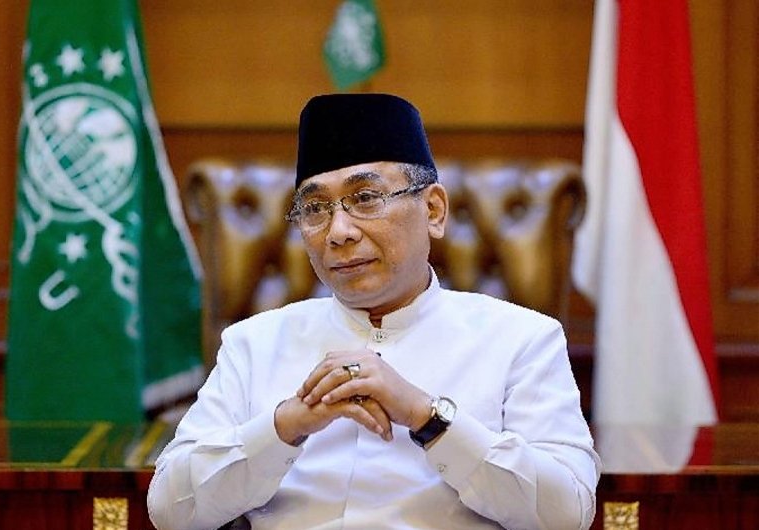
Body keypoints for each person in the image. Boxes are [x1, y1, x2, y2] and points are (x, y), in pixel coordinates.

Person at [147, 93, 600, 530]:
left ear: (434, 211)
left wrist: (428, 417)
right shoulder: (253, 343)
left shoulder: (522, 340)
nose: (338, 231)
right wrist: (284, 426)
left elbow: (565, 513)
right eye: (315, 208)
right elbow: (170, 510)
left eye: (365, 198)